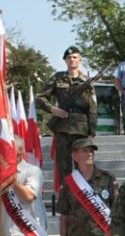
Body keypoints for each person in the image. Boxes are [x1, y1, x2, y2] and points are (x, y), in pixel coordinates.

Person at [36, 46, 97, 185]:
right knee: (64, 169)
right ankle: (65, 201)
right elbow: (40, 98)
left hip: (81, 129)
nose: (72, 60)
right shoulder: (58, 78)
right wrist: (52, 109)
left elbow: (92, 108)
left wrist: (92, 131)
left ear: (80, 60)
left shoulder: (86, 81)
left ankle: (82, 201)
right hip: (62, 129)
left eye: (75, 57)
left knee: (83, 167)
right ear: (65, 60)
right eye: (69, 57)